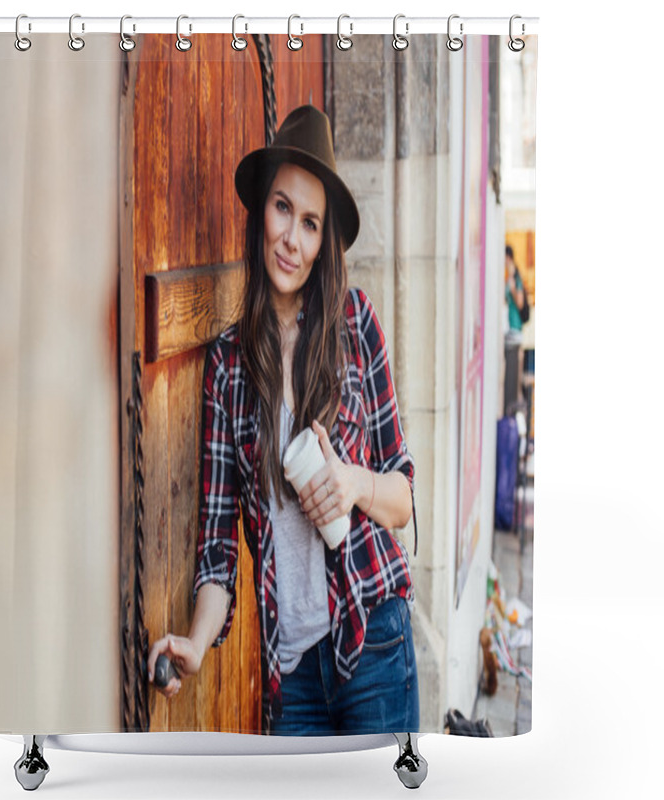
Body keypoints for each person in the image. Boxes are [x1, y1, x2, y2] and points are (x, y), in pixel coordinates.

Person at [147, 105, 419, 736]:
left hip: (372, 642)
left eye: (310, 223)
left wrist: (352, 482)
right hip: (290, 679)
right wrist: (194, 641)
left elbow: (403, 496)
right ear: (259, 213)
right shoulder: (228, 367)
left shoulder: (355, 325)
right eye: (281, 209)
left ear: (324, 241)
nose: (291, 239)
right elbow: (217, 552)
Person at [503, 244, 526, 413]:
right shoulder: (509, 277)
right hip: (509, 330)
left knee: (514, 378)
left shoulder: (515, 278)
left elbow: (519, 302)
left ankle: (516, 410)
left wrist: (510, 286)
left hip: (515, 331)